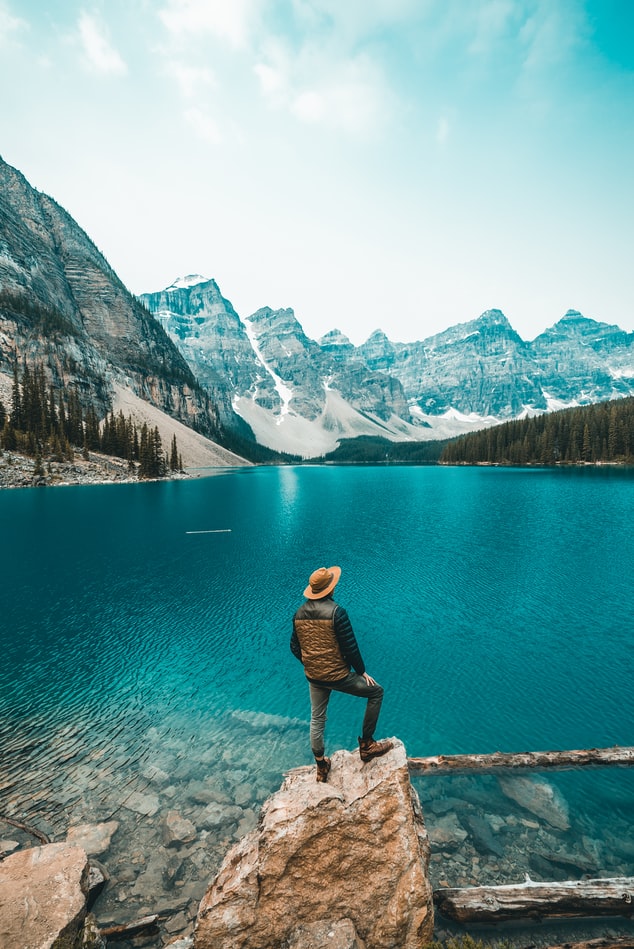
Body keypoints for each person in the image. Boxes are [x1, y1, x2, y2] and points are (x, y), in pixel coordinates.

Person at [291, 564, 393, 783]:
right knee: (376, 692)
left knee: (317, 719)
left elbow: (294, 647)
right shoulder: (337, 612)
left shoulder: (299, 613)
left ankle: (321, 766)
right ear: (330, 589)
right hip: (339, 676)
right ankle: (367, 745)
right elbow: (350, 647)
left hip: (314, 677)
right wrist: (362, 671)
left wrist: (311, 662)